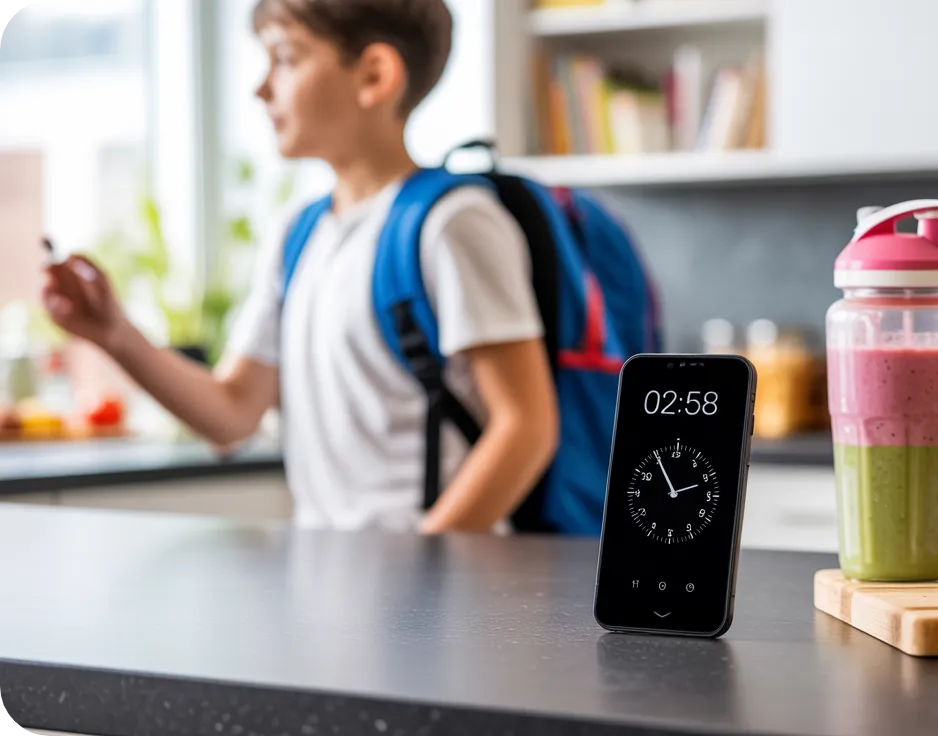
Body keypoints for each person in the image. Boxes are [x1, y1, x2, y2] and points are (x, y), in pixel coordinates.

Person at [41, 0, 559, 534]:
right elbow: (233, 413)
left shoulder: (453, 223)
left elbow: (526, 427)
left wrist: (423, 564)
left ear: (375, 75)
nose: (261, 88)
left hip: (436, 578)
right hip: (335, 569)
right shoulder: (299, 232)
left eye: (286, 59)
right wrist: (114, 334)